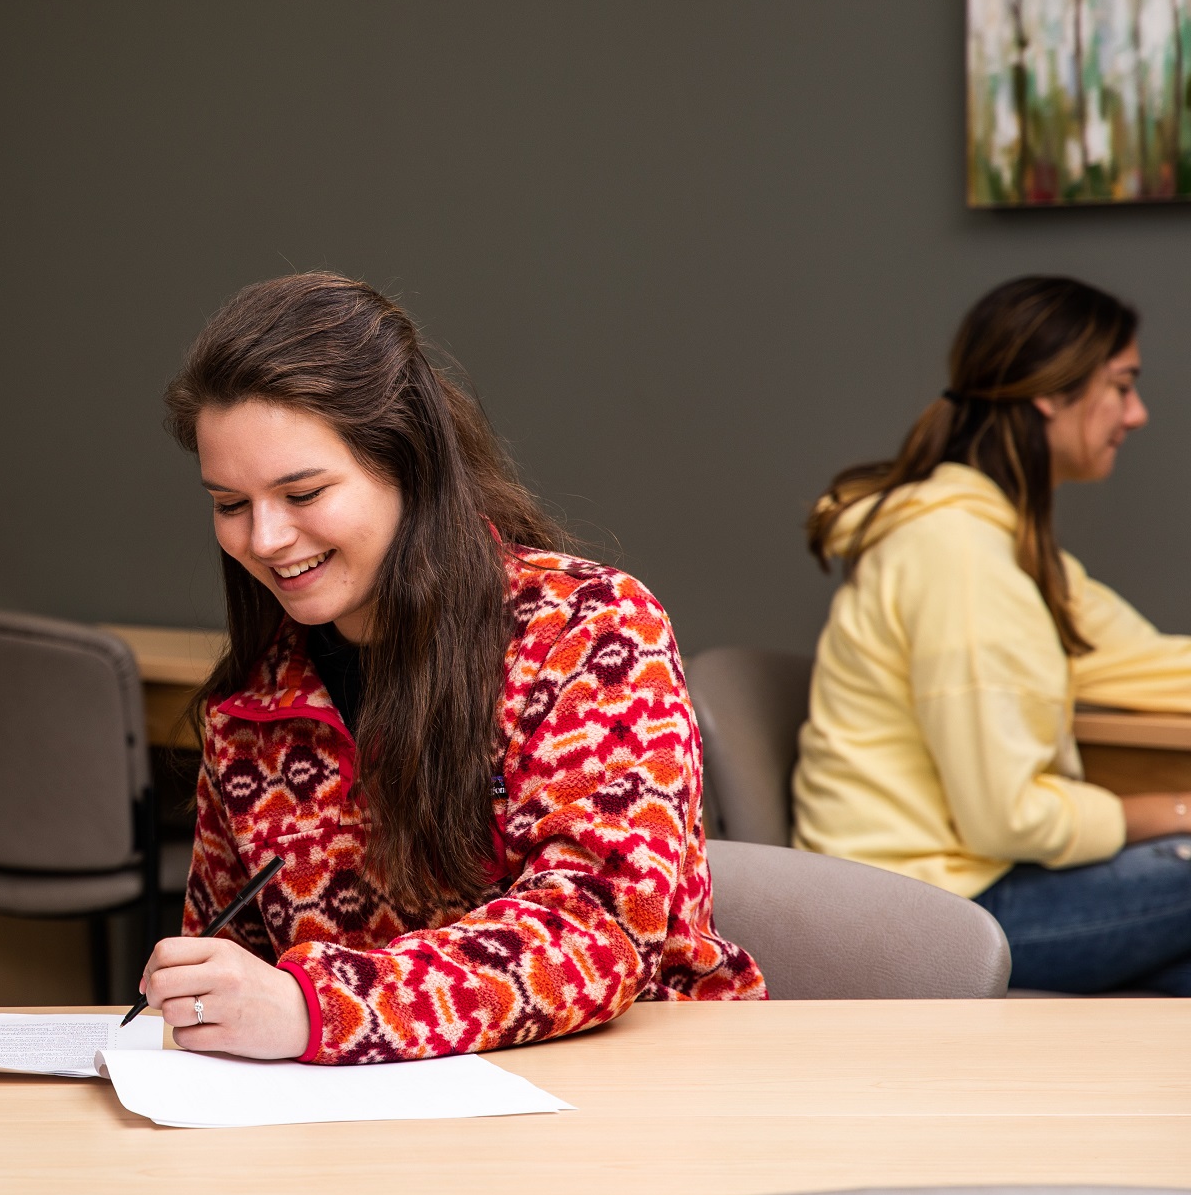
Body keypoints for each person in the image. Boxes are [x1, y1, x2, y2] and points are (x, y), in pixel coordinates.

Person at [136, 274, 762, 1065]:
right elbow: (231, 974)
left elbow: (598, 929)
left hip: (637, 1095)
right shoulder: (253, 708)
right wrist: (209, 998)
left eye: (303, 492)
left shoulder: (588, 630)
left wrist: (314, 1006)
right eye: (229, 503)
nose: (263, 538)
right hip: (377, 1123)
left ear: (410, 464)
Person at [795, 275, 1191, 995]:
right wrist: (1170, 812)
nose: (1137, 414)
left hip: (962, 882)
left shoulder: (1003, 546)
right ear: (1052, 392)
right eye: (1123, 385)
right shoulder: (961, 559)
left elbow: (1136, 661)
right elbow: (1005, 818)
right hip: (924, 908)